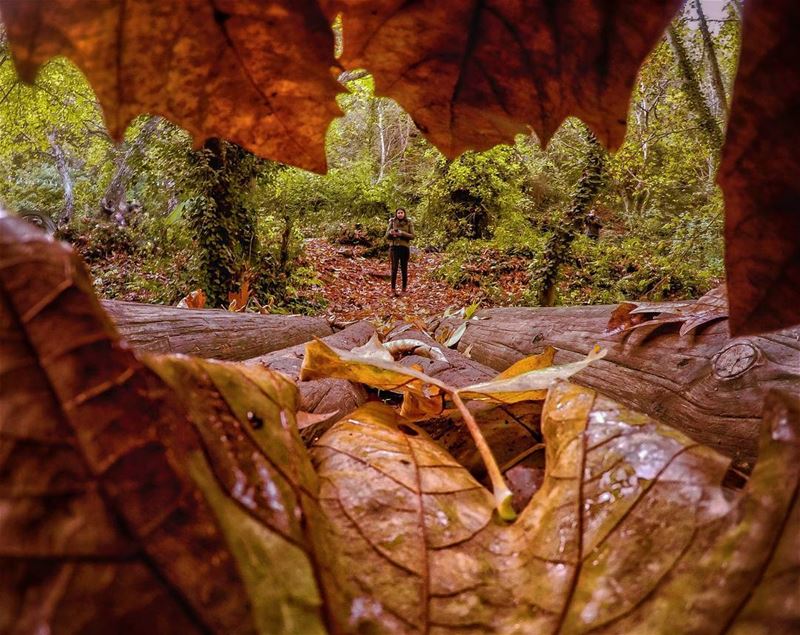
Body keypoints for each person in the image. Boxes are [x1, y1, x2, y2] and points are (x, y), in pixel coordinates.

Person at [385, 207, 415, 294]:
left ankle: (404, 289)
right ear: (396, 214)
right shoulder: (392, 221)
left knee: (404, 268)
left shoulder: (409, 222)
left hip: (404, 248)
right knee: (394, 268)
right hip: (394, 248)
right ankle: (393, 289)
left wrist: (401, 233)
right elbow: (386, 235)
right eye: (398, 213)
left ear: (404, 214)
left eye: (402, 213)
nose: (400, 214)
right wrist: (391, 233)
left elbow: (412, 236)